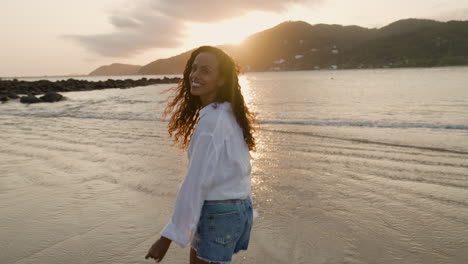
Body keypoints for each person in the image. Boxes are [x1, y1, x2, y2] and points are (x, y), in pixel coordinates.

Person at [145, 45, 259, 264]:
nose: (195, 75)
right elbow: (241, 168)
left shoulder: (212, 122)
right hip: (238, 210)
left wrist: (166, 238)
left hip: (219, 214)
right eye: (194, 68)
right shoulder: (229, 113)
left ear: (222, 80)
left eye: (205, 71)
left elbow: (194, 184)